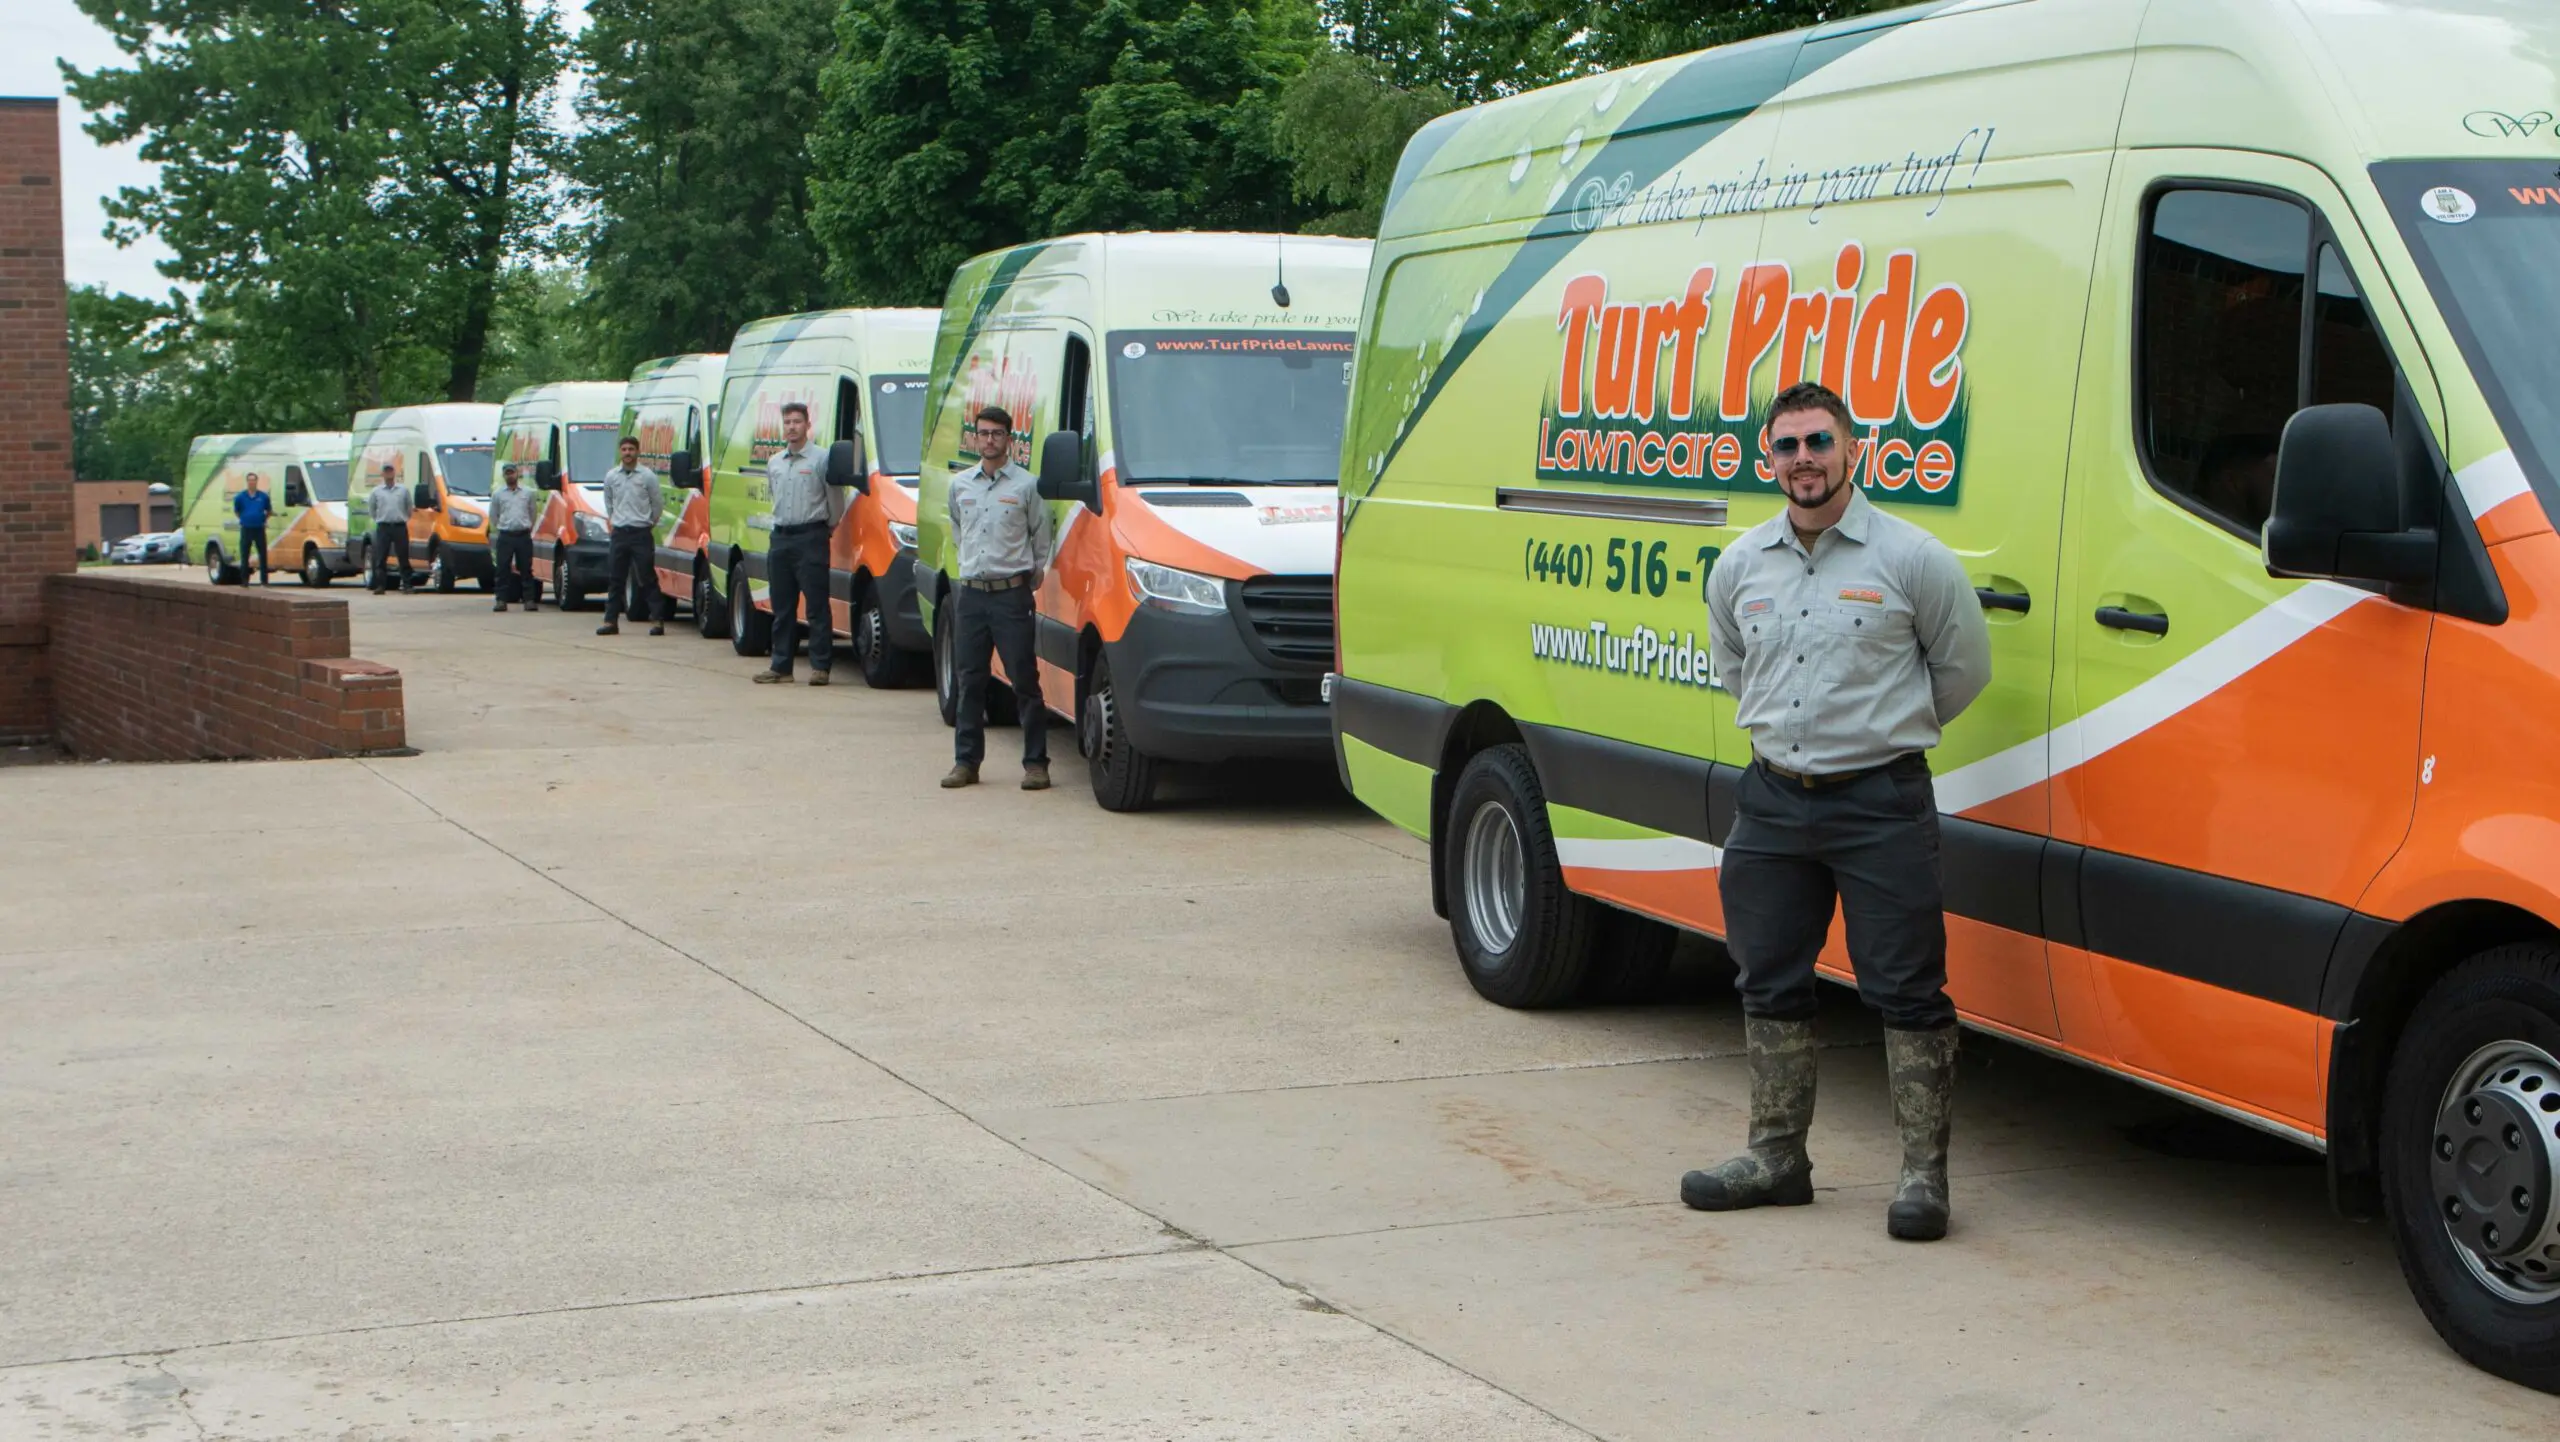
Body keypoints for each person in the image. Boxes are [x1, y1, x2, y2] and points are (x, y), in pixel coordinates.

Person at [1685, 380, 1992, 1243]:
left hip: (1880, 802)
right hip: (1774, 800)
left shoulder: (1912, 559)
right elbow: (1737, 668)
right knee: (1769, 977)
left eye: (1818, 442)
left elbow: (1962, 670)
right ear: (1767, 460)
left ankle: (1923, 1179)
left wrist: (1878, 736)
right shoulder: (1741, 565)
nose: (1803, 461)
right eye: (1785, 447)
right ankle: (1777, 1157)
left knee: (1905, 987)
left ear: (1852, 450)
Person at [941, 406, 1053, 791]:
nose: (989, 440)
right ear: (975, 438)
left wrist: (1029, 579)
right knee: (970, 680)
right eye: (983, 433)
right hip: (971, 596)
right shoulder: (960, 486)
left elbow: (1042, 539)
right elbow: (958, 530)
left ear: (1010, 439)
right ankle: (966, 762)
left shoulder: (1027, 486)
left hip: (1011, 596)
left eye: (997, 433)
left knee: (1024, 679)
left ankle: (1036, 763)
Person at [754, 401, 836, 684]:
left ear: (807, 425)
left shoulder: (821, 459)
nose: (791, 427)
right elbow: (774, 493)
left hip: (811, 536)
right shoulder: (775, 462)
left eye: (797, 422)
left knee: (816, 606)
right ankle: (781, 666)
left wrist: (829, 525)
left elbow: (835, 498)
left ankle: (820, 667)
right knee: (782, 606)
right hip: (781, 538)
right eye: (787, 422)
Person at [598, 436, 666, 636]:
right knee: (616, 577)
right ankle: (611, 621)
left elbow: (657, 504)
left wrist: (648, 523)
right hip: (620, 533)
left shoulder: (647, 476)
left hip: (641, 533)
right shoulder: (612, 476)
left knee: (646, 577)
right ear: (620, 452)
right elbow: (609, 502)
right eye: (624, 449)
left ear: (638, 452)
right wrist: (615, 520)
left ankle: (658, 620)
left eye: (631, 449)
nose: (628, 453)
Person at [489, 463, 539, 612]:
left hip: (523, 535)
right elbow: (494, 515)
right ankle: (501, 600)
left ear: (517, 474)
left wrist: (527, 526)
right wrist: (502, 526)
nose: (510, 476)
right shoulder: (498, 494)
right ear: (504, 476)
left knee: (526, 568)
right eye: (507, 473)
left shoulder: (528, 493)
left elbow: (532, 512)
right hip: (505, 535)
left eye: (512, 473)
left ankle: (529, 600)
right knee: (502, 568)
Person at [367, 464, 414, 594]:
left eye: (390, 471)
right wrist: (379, 519)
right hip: (383, 526)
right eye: (386, 472)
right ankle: (381, 586)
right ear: (382, 474)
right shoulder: (376, 491)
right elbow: (372, 509)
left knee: (403, 556)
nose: (388, 474)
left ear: (394, 473)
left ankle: (407, 585)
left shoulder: (403, 490)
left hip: (399, 526)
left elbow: (409, 507)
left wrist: (404, 518)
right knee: (381, 557)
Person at [232, 473, 273, 585]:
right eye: (250, 480)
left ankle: (264, 580)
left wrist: (263, 519)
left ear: (257, 482)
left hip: (259, 528)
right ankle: (244, 580)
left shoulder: (263, 496)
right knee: (245, 555)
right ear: (247, 482)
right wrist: (244, 518)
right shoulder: (240, 497)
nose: (252, 482)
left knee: (263, 555)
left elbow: (269, 511)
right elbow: (236, 510)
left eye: (254, 480)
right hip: (246, 528)